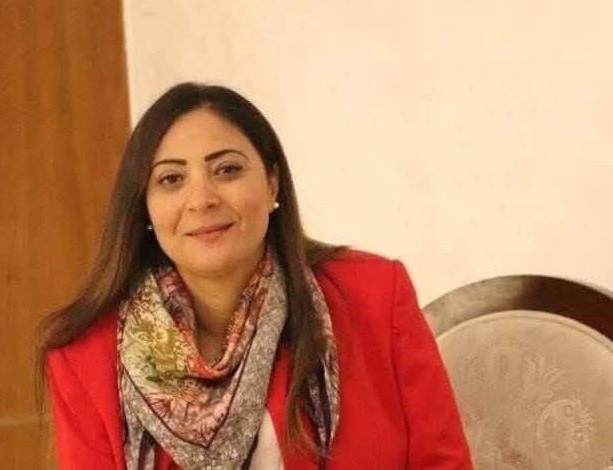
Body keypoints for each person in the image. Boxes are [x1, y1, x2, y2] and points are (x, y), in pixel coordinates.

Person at [39, 82, 472, 470]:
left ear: (272, 183)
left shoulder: (374, 294)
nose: (201, 199)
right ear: (144, 209)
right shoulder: (85, 356)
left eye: (226, 170)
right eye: (171, 179)